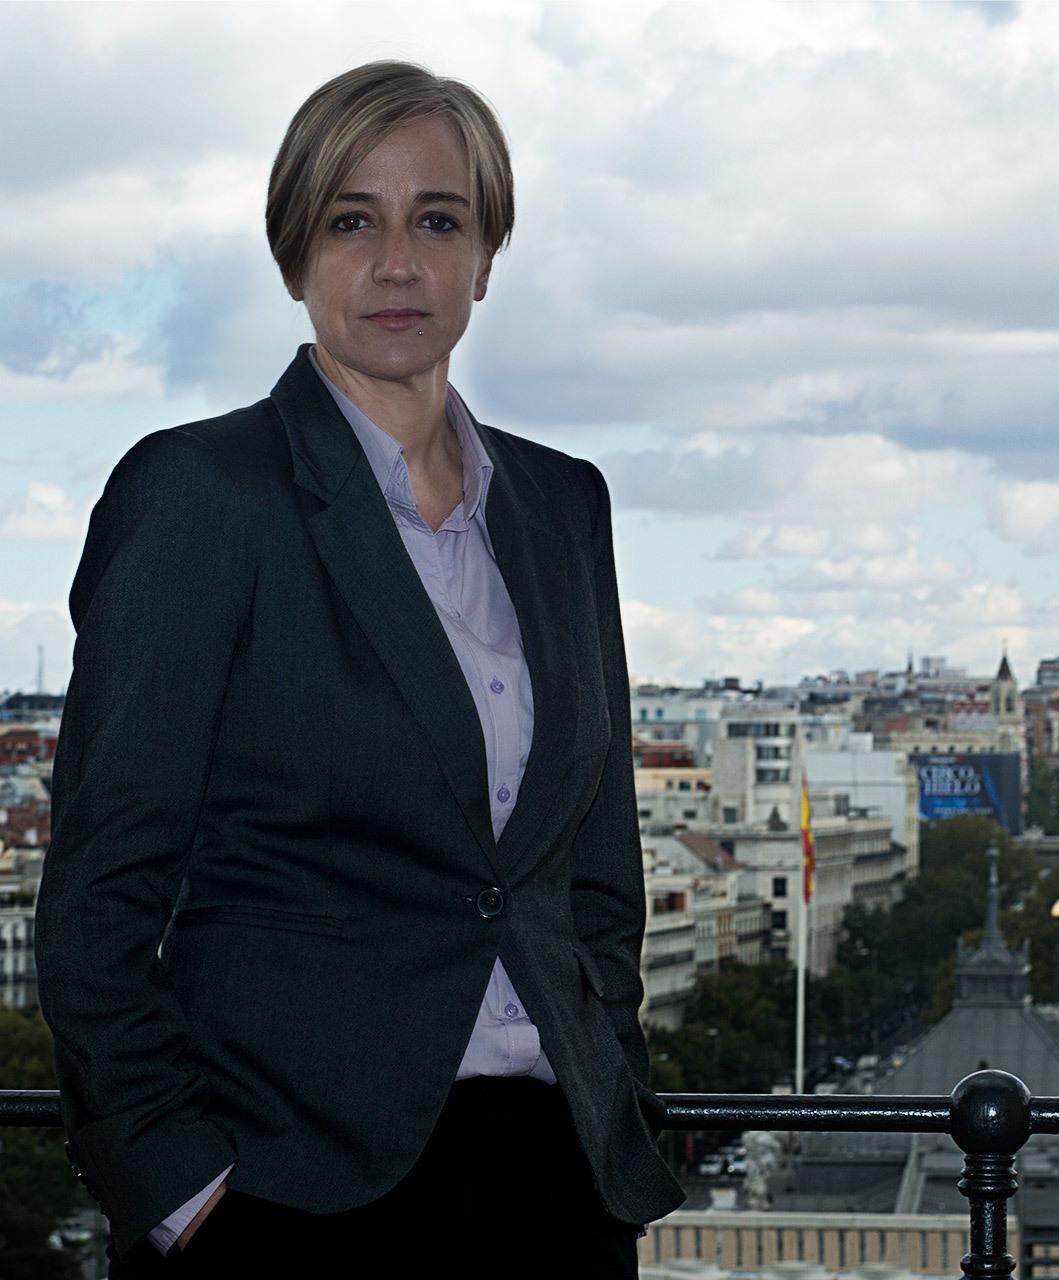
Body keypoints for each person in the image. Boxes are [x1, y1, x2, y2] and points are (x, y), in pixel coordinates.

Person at [35, 61, 683, 1276]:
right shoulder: (201, 496)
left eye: (437, 219)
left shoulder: (561, 504)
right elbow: (96, 893)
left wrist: (612, 1095)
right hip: (289, 1193)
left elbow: (595, 872)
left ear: (485, 256)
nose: (397, 262)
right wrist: (177, 1184)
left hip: (553, 1182)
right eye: (352, 220)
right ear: (297, 255)